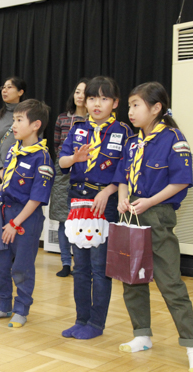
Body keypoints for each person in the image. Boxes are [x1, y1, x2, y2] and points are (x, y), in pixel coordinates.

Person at [114, 82, 193, 372]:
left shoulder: (173, 138)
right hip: (132, 215)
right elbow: (122, 177)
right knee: (131, 279)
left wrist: (150, 201)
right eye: (129, 105)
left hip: (158, 216)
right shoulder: (132, 142)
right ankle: (141, 334)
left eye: (136, 105)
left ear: (156, 108)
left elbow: (180, 181)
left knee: (170, 283)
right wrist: (122, 197)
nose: (130, 111)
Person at [59, 76, 132, 340]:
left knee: (100, 268)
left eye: (103, 98)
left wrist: (108, 191)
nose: (96, 104)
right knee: (80, 267)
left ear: (115, 103)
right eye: (91, 98)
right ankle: (81, 319)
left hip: (105, 203)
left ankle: (96, 323)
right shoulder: (77, 128)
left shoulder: (123, 131)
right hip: (78, 201)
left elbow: (126, 170)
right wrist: (74, 158)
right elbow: (63, 162)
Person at [0, 99, 54, 328]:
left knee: (22, 267)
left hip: (25, 220)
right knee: (0, 266)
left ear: (35, 125)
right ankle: (4, 305)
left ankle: (21, 308)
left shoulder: (41, 158)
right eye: (13, 119)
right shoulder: (14, 150)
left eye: (19, 120)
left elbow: (36, 199)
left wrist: (15, 223)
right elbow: (10, 184)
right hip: (5, 215)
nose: (13, 125)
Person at [50, 78, 88, 278]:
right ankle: (66, 262)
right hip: (63, 169)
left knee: (84, 218)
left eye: (84, 92)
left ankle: (83, 263)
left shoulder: (93, 121)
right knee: (63, 219)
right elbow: (57, 146)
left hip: (85, 170)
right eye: (77, 92)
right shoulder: (63, 118)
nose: (79, 96)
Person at [0, 77, 26, 180]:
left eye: (9, 87)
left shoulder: (29, 115)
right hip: (4, 172)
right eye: (3, 87)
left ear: (20, 92)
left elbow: (36, 143)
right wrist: (0, 169)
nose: (4, 90)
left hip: (24, 171)